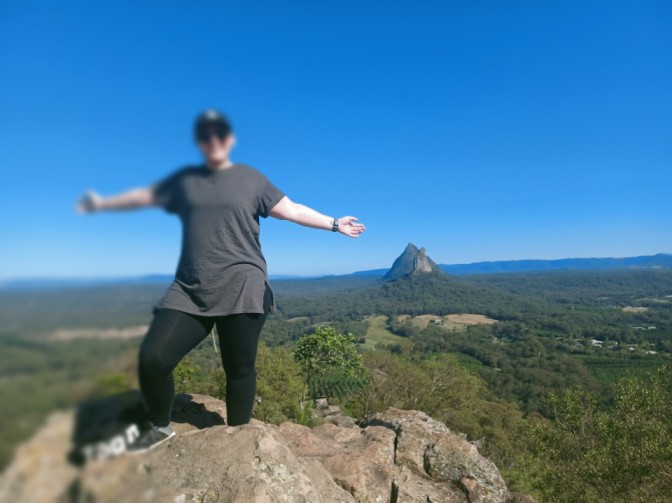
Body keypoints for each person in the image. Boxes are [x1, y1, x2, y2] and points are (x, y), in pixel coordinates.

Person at [77, 109, 366, 452]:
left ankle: (239, 438)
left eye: (219, 134)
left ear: (229, 140)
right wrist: (102, 202)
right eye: (205, 135)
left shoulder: (251, 179)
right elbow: (143, 196)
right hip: (189, 288)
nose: (212, 140)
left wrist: (334, 223)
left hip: (242, 285)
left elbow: (292, 210)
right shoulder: (186, 182)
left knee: (238, 368)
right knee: (153, 358)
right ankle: (160, 427)